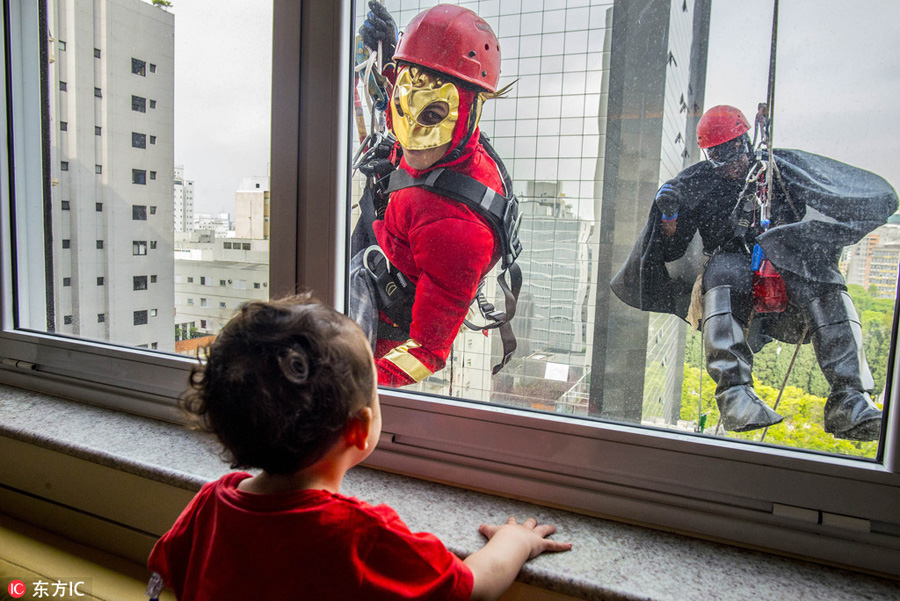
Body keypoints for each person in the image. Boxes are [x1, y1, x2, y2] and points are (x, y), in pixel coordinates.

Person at [146, 294, 571, 601]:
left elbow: (165, 572)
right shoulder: (358, 537)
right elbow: (469, 587)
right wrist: (516, 541)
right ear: (360, 429)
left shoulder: (210, 504)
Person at [611, 105, 898, 441]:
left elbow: (831, 200)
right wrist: (669, 217)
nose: (730, 163)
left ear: (745, 140)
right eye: (718, 154)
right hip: (732, 266)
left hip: (787, 263)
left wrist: (804, 241)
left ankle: (849, 398)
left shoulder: (780, 170)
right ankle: (734, 395)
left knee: (826, 285)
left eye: (732, 150)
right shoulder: (698, 183)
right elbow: (672, 250)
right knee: (722, 274)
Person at [352, 3, 516, 387]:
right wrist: (385, 52)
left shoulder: (458, 230)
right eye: (400, 106)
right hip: (384, 253)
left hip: (382, 318)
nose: (409, 139)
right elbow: (409, 115)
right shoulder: (455, 146)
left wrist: (353, 387)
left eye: (431, 116)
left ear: (472, 109)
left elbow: (426, 352)